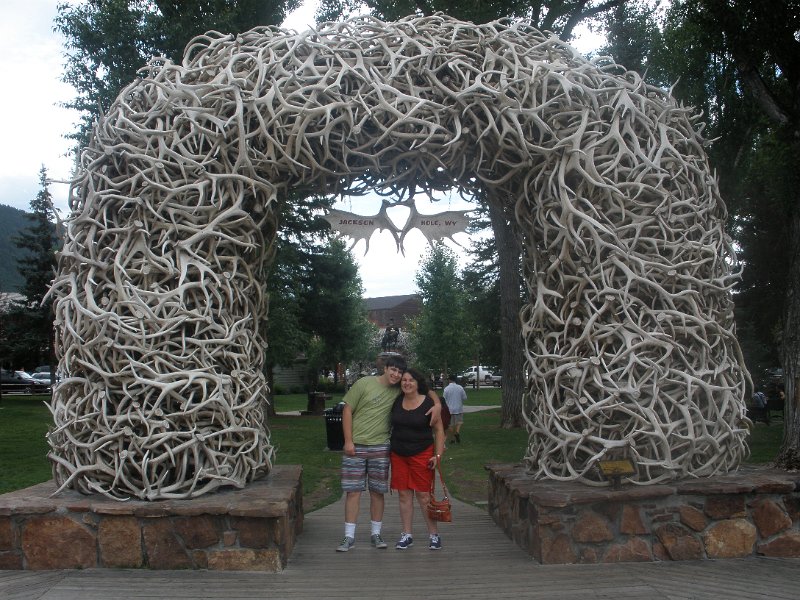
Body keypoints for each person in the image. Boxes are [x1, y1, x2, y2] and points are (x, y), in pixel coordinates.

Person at [336, 355, 441, 552]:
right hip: (356, 446)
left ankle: (376, 534)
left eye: (400, 373)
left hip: (381, 447)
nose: (396, 375)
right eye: (393, 370)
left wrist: (438, 404)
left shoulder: (398, 389)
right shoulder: (363, 383)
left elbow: (427, 390)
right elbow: (347, 410)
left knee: (377, 492)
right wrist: (348, 440)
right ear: (385, 368)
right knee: (353, 492)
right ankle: (348, 536)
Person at [390, 368, 446, 551]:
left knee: (423, 496)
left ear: (417, 383)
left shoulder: (428, 403)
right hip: (398, 454)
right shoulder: (397, 400)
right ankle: (407, 535)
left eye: (411, 380)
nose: (406, 383)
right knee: (404, 495)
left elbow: (439, 431)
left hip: (421, 453)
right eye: (404, 380)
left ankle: (434, 535)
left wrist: (437, 456)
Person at [443, 373, 467, 443]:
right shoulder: (460, 387)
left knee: (449, 424)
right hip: (458, 408)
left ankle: (453, 438)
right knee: (459, 422)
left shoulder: (446, 389)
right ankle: (456, 432)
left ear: (449, 380)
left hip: (449, 409)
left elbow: (444, 399)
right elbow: (465, 397)